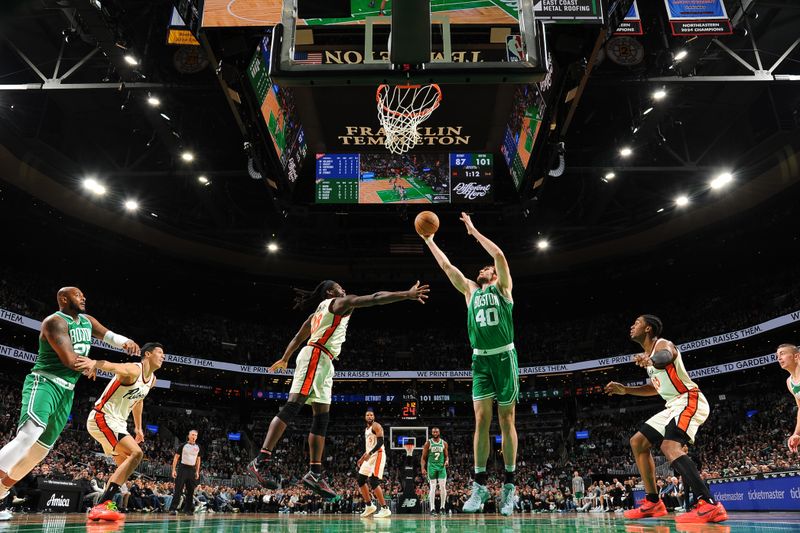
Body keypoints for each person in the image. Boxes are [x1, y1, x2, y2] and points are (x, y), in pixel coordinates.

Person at [248, 280, 429, 498]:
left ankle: (315, 473)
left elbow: (298, 337)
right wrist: (406, 295)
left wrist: (285, 358)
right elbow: (374, 298)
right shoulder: (338, 303)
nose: (343, 288)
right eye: (338, 286)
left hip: (325, 360)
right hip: (316, 355)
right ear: (330, 292)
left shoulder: (316, 313)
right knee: (292, 407)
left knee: (322, 418)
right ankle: (261, 460)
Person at [0, 287, 138, 521]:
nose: (83, 297)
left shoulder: (87, 321)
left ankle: (1, 492)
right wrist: (94, 364)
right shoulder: (55, 322)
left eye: (84, 294)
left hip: (67, 392)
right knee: (27, 437)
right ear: (63, 299)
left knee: (37, 454)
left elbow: (108, 335)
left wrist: (126, 342)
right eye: (77, 295)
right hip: (45, 383)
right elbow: (70, 360)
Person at [419, 213, 518, 516]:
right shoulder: (470, 291)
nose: (484, 268)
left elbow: (499, 254)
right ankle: (480, 485)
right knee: (481, 422)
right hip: (479, 360)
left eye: (486, 267)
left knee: (506, 420)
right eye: (484, 268)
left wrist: (474, 231)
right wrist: (429, 241)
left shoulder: (502, 288)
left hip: (504, 356)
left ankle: (510, 486)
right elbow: (447, 267)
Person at [604, 315, 727, 523]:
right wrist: (625, 390)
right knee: (638, 442)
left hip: (689, 398)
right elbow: (654, 388)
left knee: (669, 446)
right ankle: (653, 502)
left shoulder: (661, 344)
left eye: (637, 323)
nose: (632, 326)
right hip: (672, 405)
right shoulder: (647, 355)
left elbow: (666, 355)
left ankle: (710, 504)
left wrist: (651, 360)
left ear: (648, 328)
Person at [83, 342, 165, 521]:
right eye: (160, 352)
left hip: (118, 423)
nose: (163, 356)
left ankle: (104, 504)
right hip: (102, 416)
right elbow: (113, 366)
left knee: (124, 467)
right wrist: (93, 363)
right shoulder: (133, 370)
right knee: (137, 453)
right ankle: (102, 505)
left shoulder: (152, 380)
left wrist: (138, 427)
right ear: (148, 355)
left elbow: (139, 399)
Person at [356, 410, 391, 518]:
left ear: (374, 417)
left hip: (378, 455)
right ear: (365, 417)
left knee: (374, 481)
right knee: (360, 480)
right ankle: (369, 506)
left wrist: (370, 453)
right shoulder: (366, 430)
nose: (369, 416)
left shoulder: (376, 426)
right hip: (370, 456)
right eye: (367, 415)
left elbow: (380, 442)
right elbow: (370, 446)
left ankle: (385, 508)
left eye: (371, 415)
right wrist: (362, 458)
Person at [169, 430, 202, 515]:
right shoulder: (183, 445)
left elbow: (198, 460)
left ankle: (187, 509)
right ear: (189, 436)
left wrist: (197, 471)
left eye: (195, 435)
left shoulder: (198, 447)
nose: (194, 436)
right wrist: (173, 470)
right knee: (178, 489)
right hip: (182, 468)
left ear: (197, 437)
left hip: (192, 469)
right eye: (192, 435)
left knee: (190, 490)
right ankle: (173, 508)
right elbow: (176, 457)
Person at [421, 427, 449, 515]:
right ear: (432, 433)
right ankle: (432, 509)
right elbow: (423, 457)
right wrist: (423, 468)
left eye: (436, 431)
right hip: (431, 467)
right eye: (433, 432)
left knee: (443, 487)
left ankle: (442, 507)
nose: (435, 433)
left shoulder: (444, 443)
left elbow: (446, 456)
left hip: (441, 467)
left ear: (439, 432)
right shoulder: (428, 443)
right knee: (432, 487)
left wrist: (447, 461)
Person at [777, 344, 800, 452]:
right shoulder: (789, 382)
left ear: (796, 356)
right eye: (777, 355)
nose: (779, 358)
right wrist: (796, 433)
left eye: (782, 353)